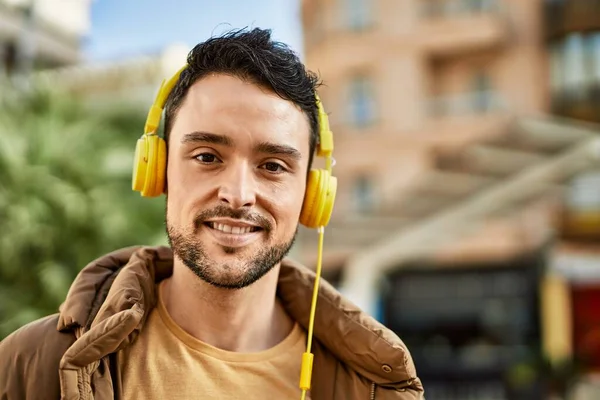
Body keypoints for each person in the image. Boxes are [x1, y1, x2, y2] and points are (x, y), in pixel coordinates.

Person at [0, 28, 424, 399]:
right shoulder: (27, 365)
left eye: (273, 166)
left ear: (313, 194)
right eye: (207, 156)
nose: (238, 194)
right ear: (157, 168)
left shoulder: (373, 384)